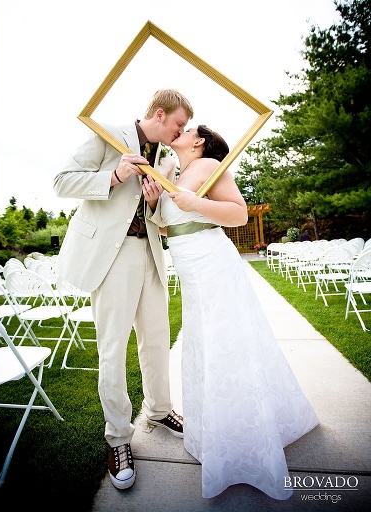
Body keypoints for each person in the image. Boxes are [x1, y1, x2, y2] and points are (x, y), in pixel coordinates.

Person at [143, 125, 319, 499]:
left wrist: (199, 204)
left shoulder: (208, 165)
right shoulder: (173, 171)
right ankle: (216, 432)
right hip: (189, 266)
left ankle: (247, 442)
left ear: (199, 141)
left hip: (213, 262)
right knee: (205, 343)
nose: (180, 130)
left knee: (228, 343)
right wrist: (157, 203)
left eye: (187, 128)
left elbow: (238, 214)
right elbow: (169, 226)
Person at [53, 89, 190, 490]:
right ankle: (118, 439)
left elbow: (161, 219)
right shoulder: (106, 134)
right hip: (109, 258)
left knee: (157, 338)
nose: (180, 133)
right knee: (112, 348)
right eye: (178, 124)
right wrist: (115, 176)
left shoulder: (165, 160)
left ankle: (159, 409)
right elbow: (62, 182)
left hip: (149, 252)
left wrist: (153, 203)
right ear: (161, 114)